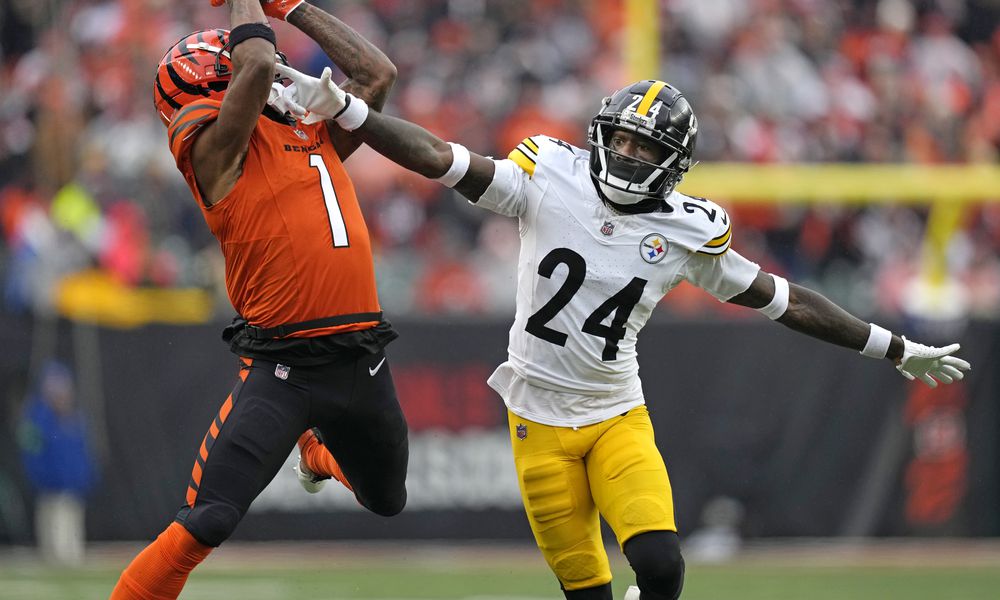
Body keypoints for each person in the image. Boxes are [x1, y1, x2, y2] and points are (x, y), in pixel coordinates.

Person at [273, 74, 972, 599]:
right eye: (625, 137)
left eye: (647, 146)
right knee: (589, 594)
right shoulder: (550, 176)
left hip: (614, 416)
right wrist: (350, 111)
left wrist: (893, 346)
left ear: (674, 162)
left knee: (663, 567)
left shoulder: (689, 228)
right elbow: (439, 157)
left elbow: (783, 301)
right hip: (536, 420)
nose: (631, 153)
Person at [110, 1, 408, 597]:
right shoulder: (214, 153)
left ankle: (317, 454)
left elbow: (377, 76)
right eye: (249, 71)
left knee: (386, 500)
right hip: (285, 367)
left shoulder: (305, 131)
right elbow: (253, 64)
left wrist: (289, 6)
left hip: (361, 356)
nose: (276, 77)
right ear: (211, 86)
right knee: (208, 520)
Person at [17, 360, 96, 566]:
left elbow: (83, 454)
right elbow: (31, 454)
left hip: (73, 490)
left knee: (73, 540)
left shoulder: (76, 417)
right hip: (50, 490)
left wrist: (85, 479)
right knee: (55, 544)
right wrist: (44, 479)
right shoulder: (38, 418)